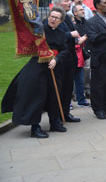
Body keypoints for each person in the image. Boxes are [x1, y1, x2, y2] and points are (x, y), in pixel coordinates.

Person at [2, 7, 70, 138]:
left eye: (56, 18)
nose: (53, 19)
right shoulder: (40, 30)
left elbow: (64, 50)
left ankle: (54, 122)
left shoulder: (61, 33)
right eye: (52, 16)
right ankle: (35, 127)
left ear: (61, 21)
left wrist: (56, 60)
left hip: (54, 68)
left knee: (54, 96)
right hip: (38, 67)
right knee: (37, 97)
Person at [54, 0, 84, 123]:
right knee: (61, 88)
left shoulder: (66, 16)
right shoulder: (55, 17)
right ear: (59, 4)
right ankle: (58, 115)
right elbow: (54, 34)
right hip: (61, 59)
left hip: (70, 57)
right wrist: (70, 35)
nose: (70, 2)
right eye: (66, 1)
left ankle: (65, 113)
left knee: (68, 88)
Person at [72, 4, 90, 107]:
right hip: (75, 54)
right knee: (73, 78)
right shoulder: (72, 24)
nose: (83, 11)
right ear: (75, 13)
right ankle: (72, 98)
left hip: (85, 53)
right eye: (80, 10)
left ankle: (82, 99)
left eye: (83, 9)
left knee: (82, 77)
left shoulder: (87, 23)